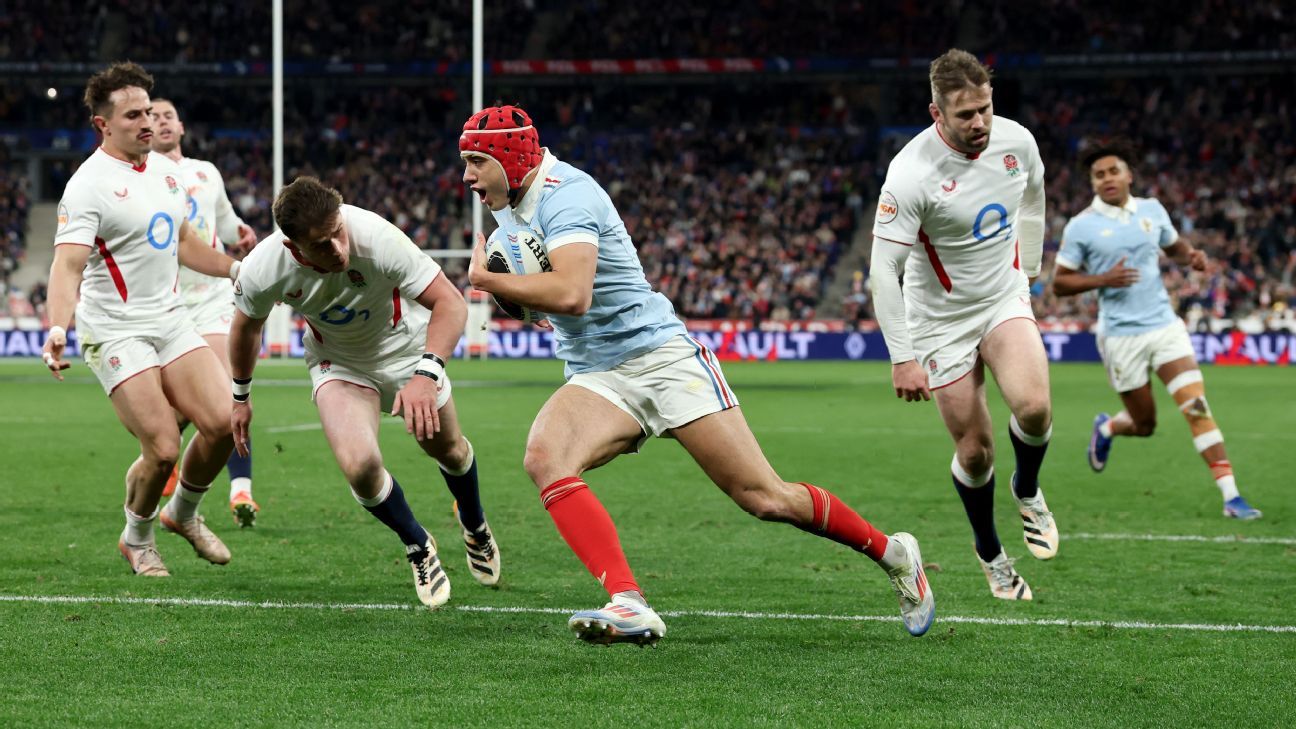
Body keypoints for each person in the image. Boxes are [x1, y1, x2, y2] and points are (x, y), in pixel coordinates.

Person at [462, 105, 934, 645]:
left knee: (765, 498)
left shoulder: (567, 194)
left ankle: (895, 554)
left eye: (476, 162)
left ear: (510, 157)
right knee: (545, 457)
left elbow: (572, 294)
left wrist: (486, 280)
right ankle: (628, 601)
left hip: (661, 358)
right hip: (597, 372)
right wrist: (520, 299)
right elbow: (548, 296)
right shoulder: (506, 205)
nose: (468, 177)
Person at [227, 176, 499, 608]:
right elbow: (246, 327)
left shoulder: (376, 236)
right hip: (339, 363)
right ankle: (417, 543)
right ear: (293, 246)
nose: (338, 248)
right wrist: (240, 397)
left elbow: (451, 303)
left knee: (448, 449)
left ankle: (475, 523)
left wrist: (426, 375)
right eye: (322, 244)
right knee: (360, 466)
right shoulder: (264, 267)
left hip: (407, 351)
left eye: (338, 232)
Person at [868, 49, 1055, 602]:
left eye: (985, 109)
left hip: (1001, 296)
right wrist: (902, 357)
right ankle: (991, 553)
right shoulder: (910, 173)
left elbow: (1034, 199)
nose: (979, 123)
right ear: (937, 113)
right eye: (965, 114)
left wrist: (1031, 270)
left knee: (1035, 408)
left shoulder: (1017, 142)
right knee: (975, 453)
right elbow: (882, 270)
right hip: (940, 321)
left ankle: (1027, 489)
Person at [42, 62, 240, 577]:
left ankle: (183, 513)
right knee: (163, 447)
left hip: (170, 320)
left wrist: (236, 269)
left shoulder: (167, 173)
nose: (148, 123)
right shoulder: (87, 186)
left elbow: (184, 243)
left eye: (149, 112)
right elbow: (67, 265)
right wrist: (57, 327)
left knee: (225, 423)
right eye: (133, 116)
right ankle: (137, 538)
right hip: (115, 330)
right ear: (103, 125)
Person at [1053, 143, 1262, 520]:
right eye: (1099, 175)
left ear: (1128, 175)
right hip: (1120, 337)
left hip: (1164, 327)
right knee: (1145, 424)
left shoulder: (1151, 210)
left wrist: (1191, 256)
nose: (1107, 179)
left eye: (1113, 171)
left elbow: (1175, 247)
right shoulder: (1081, 226)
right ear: (1092, 183)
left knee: (1196, 407)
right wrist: (1102, 279)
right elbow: (1060, 283)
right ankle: (1108, 427)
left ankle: (1231, 496)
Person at [149, 98, 262, 527]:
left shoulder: (206, 172)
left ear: (181, 126)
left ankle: (240, 491)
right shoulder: (143, 176)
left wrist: (242, 234)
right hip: (169, 301)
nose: (160, 121)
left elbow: (226, 222)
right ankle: (164, 457)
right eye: (152, 116)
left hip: (213, 298)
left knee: (227, 392)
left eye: (167, 115)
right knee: (177, 408)